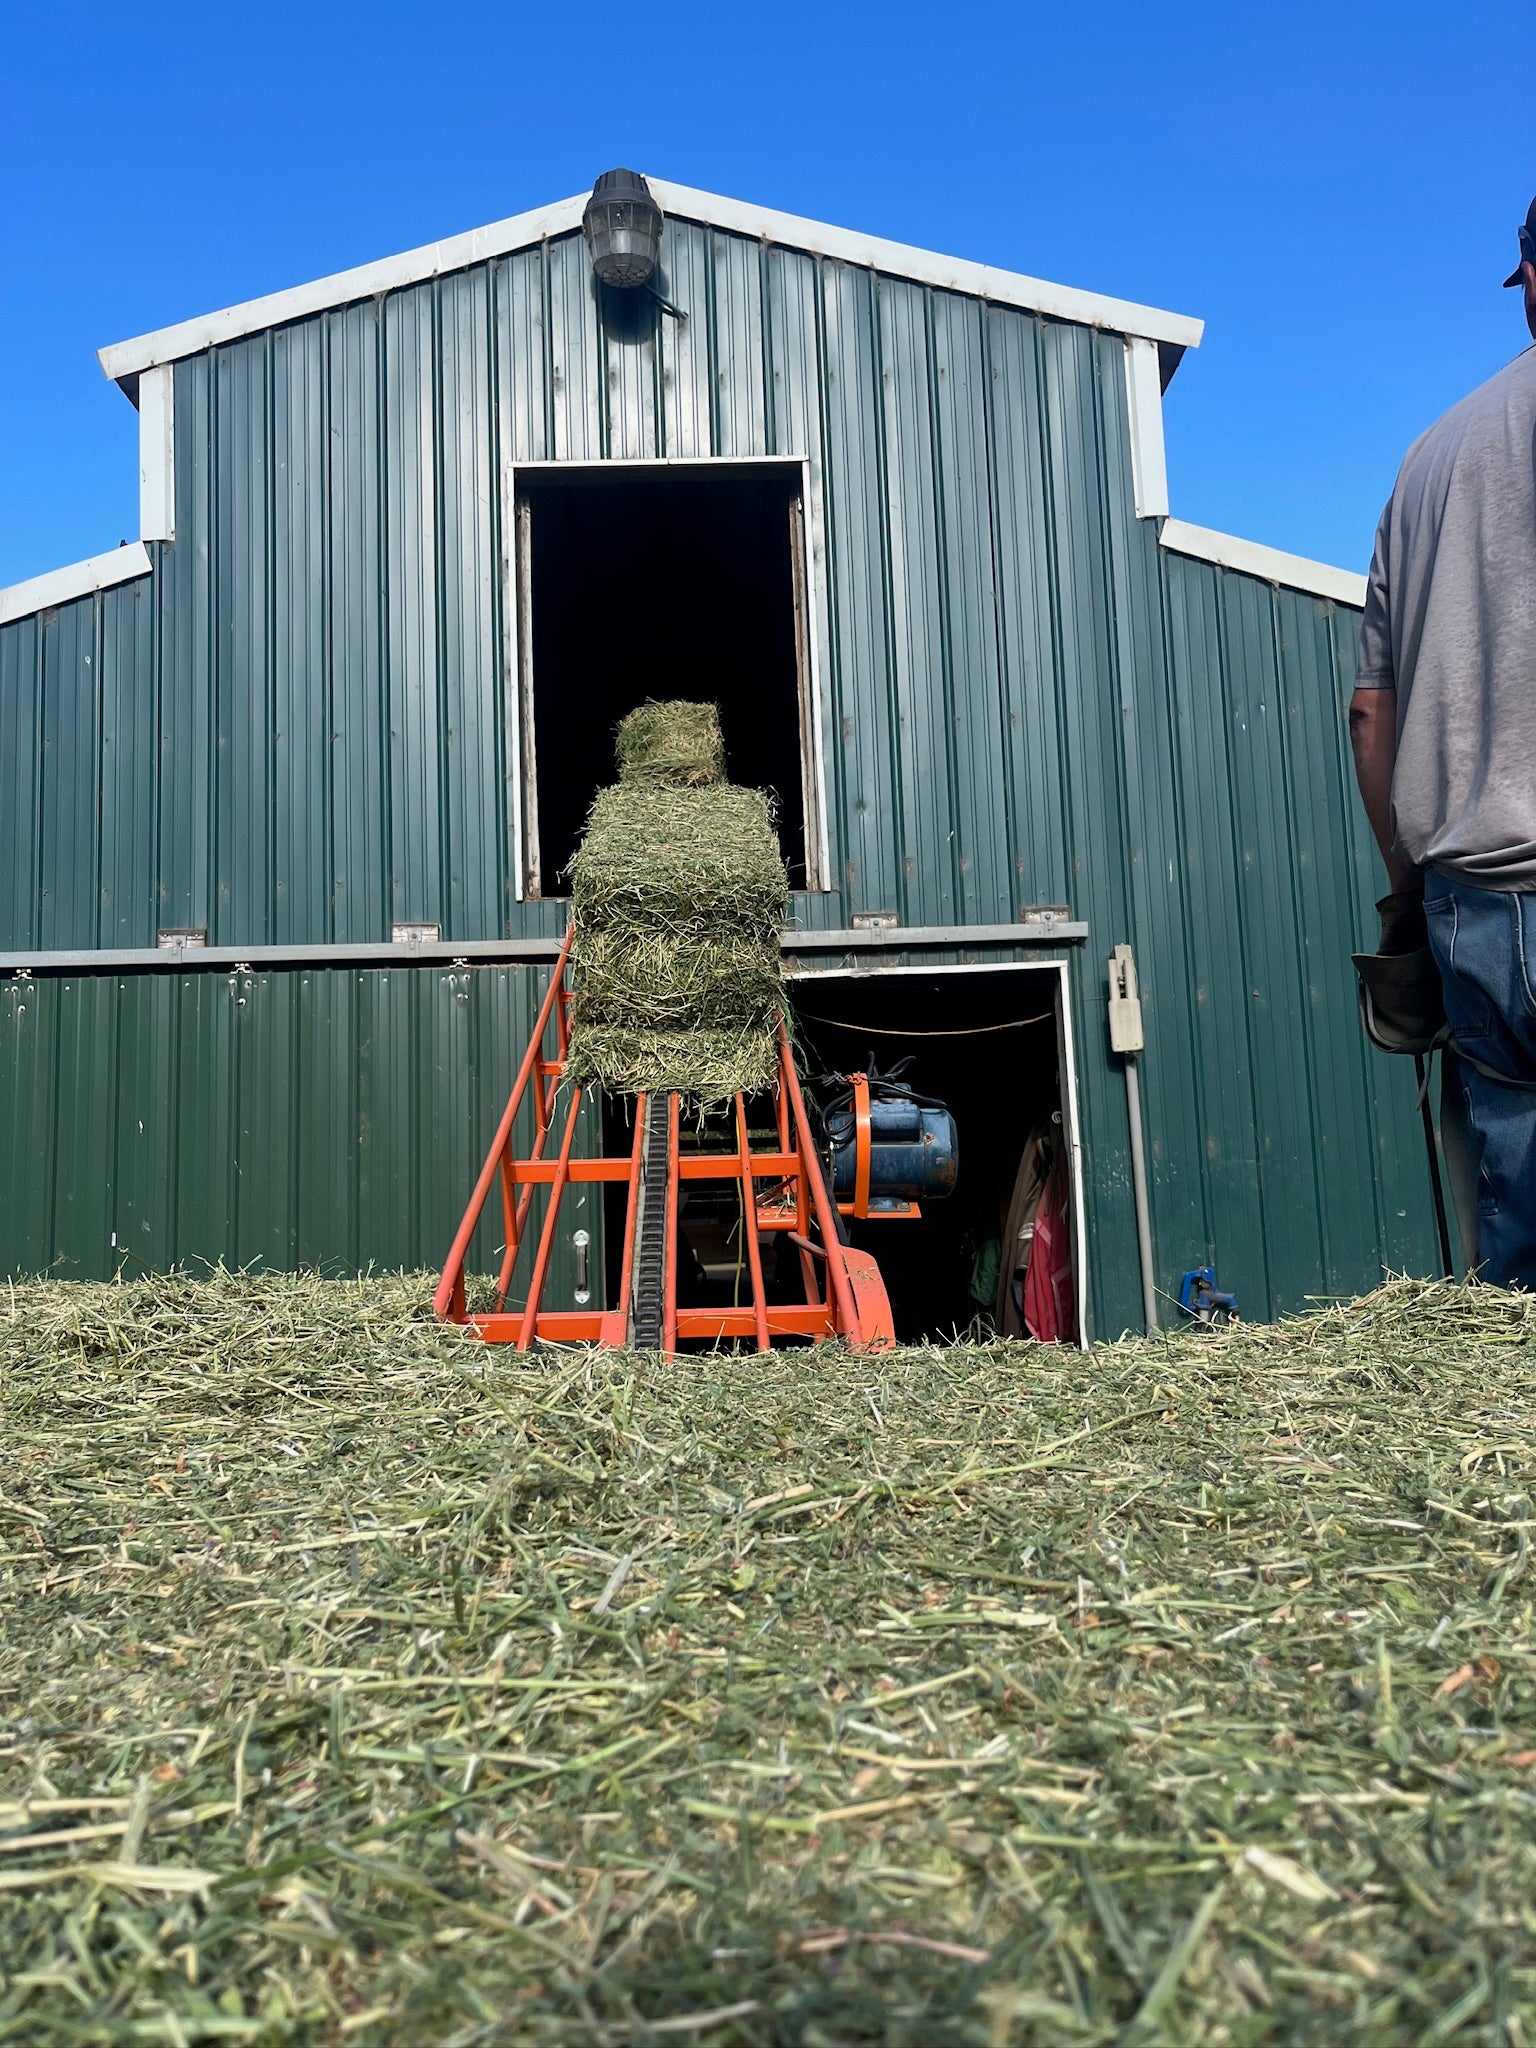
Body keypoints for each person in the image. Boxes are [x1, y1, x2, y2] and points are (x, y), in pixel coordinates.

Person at [1349, 197, 1536, 1289]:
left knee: (1513, 1211)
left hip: (1469, 894)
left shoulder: (1428, 457)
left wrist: (1408, 876)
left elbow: (1371, 709)